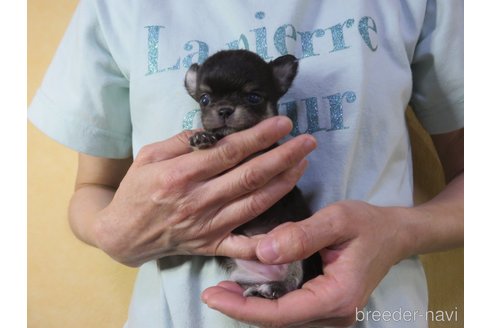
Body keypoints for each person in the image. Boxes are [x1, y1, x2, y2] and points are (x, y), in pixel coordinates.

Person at [28, 0, 463, 327]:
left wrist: (399, 232)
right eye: (208, 101)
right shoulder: (113, 8)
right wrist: (111, 232)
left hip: (374, 312)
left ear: (279, 85)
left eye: (250, 99)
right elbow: (91, 192)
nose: (223, 111)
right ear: (195, 90)